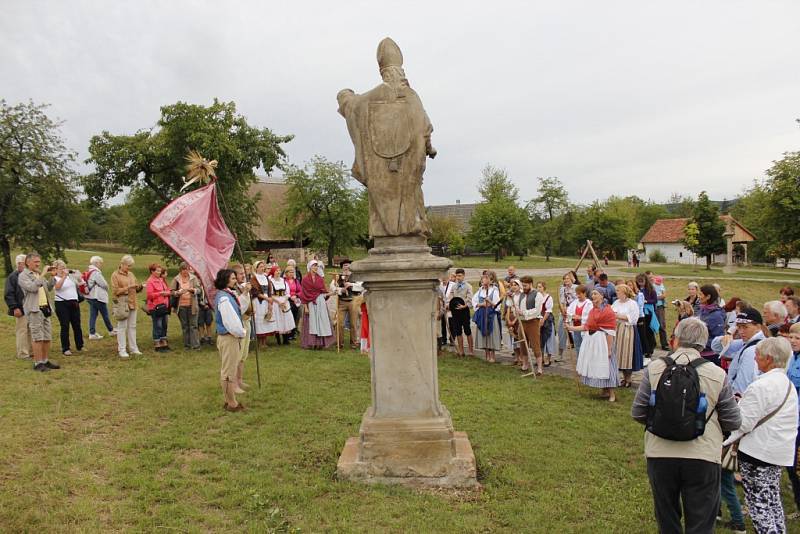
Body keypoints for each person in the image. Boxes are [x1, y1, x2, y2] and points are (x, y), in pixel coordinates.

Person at [632, 317, 741, 534]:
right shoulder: (717, 374)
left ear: (676, 339)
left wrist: (663, 421)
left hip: (660, 452)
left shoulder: (655, 368)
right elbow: (733, 420)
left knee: (667, 516)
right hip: (703, 453)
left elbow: (638, 411)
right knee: (701, 519)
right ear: (704, 342)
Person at [723, 337, 798, 534]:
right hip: (777, 451)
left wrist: (724, 441)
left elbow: (743, 423)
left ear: (769, 359)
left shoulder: (761, 386)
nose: (755, 359)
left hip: (758, 452)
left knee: (759, 506)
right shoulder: (787, 384)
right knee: (772, 501)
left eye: (758, 355)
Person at [569, 289, 619, 401]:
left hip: (603, 342)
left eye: (595, 293)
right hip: (592, 341)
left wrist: (609, 349)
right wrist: (571, 328)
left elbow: (610, 331)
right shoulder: (592, 310)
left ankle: (612, 394)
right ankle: (604, 391)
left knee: (606, 365)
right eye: (592, 294)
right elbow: (587, 326)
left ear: (602, 296)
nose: (593, 296)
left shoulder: (608, 311)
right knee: (597, 365)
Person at [18, 252, 59, 372]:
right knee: (37, 337)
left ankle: (45, 361)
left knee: (47, 336)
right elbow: (32, 288)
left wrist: (52, 277)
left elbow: (48, 288)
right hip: (34, 309)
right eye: (35, 262)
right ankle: (38, 363)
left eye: (39, 262)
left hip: (45, 308)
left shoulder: (38, 274)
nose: (38, 264)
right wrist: (43, 274)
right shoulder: (23, 275)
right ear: (28, 262)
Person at [712, 307, 767, 396]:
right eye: (739, 327)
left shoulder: (753, 350)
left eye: (745, 327)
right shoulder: (746, 342)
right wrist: (723, 339)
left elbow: (743, 384)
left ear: (758, 327)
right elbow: (716, 347)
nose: (741, 331)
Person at [214, 268, 247, 412]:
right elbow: (230, 322)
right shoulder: (224, 298)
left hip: (231, 337)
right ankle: (231, 403)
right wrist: (242, 332)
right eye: (233, 278)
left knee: (230, 370)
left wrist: (245, 294)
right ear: (225, 280)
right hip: (229, 337)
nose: (235, 280)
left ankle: (230, 400)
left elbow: (239, 309)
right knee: (228, 372)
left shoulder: (228, 295)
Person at [111, 255, 142, 359]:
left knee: (132, 326)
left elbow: (136, 285)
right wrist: (128, 287)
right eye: (128, 266)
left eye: (131, 266)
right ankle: (122, 349)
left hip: (133, 302)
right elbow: (115, 291)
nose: (130, 268)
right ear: (122, 264)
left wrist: (139, 287)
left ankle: (133, 348)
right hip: (122, 303)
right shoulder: (115, 275)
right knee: (122, 327)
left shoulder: (131, 274)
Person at [52, 260, 86, 356]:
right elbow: (57, 287)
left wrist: (78, 276)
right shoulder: (55, 278)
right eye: (60, 268)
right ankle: (65, 348)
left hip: (74, 302)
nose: (63, 269)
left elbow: (80, 283)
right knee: (65, 325)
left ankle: (80, 345)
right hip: (62, 303)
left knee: (77, 325)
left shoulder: (70, 278)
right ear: (56, 269)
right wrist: (63, 276)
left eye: (64, 267)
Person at [299, 259, 335, 350]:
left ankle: (320, 343)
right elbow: (303, 294)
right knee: (312, 323)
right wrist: (306, 307)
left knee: (321, 322)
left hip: (320, 303)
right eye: (313, 266)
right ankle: (311, 343)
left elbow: (323, 293)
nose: (315, 267)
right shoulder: (305, 279)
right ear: (309, 267)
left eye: (316, 266)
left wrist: (333, 293)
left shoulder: (320, 279)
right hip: (310, 303)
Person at [784, 323, 800, 522]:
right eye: (792, 337)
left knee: (797, 467)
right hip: (791, 419)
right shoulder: (792, 357)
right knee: (791, 466)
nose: (793, 341)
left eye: (797, 338)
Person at [514, 275, 544, 375]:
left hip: (533, 322)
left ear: (530, 284)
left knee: (535, 344)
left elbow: (537, 310)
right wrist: (517, 312)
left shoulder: (537, 295)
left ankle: (539, 368)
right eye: (523, 285)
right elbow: (517, 306)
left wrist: (525, 313)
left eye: (525, 285)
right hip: (522, 323)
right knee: (523, 344)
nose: (524, 287)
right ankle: (525, 365)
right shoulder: (521, 295)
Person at [613, 284, 641, 388]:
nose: (617, 293)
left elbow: (633, 319)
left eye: (618, 291)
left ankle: (628, 378)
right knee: (619, 354)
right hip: (617, 329)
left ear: (624, 292)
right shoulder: (616, 302)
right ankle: (624, 378)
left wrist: (619, 316)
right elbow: (612, 313)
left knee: (627, 354)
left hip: (627, 330)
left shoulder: (632, 303)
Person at [5, 253, 32, 359]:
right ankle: (23, 353)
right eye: (25, 262)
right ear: (19, 264)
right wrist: (14, 307)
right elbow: (9, 294)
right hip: (20, 308)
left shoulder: (29, 275)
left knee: (30, 330)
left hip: (30, 307)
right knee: (22, 331)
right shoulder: (13, 277)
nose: (27, 264)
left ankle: (31, 350)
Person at [330, 259, 361, 350]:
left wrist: (350, 285)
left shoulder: (356, 276)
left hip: (353, 301)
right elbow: (332, 287)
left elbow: (361, 287)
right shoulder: (337, 276)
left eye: (348, 265)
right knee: (339, 324)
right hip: (341, 302)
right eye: (344, 265)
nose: (346, 267)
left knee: (353, 324)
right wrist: (341, 290)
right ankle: (339, 343)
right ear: (342, 267)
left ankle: (354, 343)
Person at [232, 264, 252, 393]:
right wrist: (245, 293)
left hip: (246, 322)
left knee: (244, 354)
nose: (243, 275)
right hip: (238, 324)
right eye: (240, 274)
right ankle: (233, 384)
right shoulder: (232, 291)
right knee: (237, 355)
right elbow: (238, 307)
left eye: (243, 273)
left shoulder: (242, 286)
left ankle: (239, 380)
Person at [85, 256, 116, 340]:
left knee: (93, 314)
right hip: (97, 296)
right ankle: (111, 330)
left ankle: (92, 333)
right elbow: (104, 284)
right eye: (100, 263)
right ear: (96, 263)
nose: (101, 265)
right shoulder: (96, 272)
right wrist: (107, 288)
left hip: (90, 296)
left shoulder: (89, 271)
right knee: (105, 313)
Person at [172, 262, 201, 350]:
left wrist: (193, 290)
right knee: (185, 326)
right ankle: (187, 345)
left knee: (193, 325)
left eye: (187, 269)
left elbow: (199, 290)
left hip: (192, 305)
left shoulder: (193, 278)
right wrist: (178, 293)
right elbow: (172, 292)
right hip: (181, 306)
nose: (185, 271)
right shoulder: (176, 279)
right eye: (183, 269)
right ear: (180, 270)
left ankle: (195, 345)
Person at [472, 273, 501, 363]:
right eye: (483, 279)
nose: (484, 280)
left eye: (486, 279)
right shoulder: (480, 290)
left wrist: (490, 302)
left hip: (491, 315)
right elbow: (474, 301)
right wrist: (482, 304)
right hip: (482, 315)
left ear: (491, 281)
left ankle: (492, 355)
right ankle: (486, 354)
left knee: (491, 334)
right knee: (483, 334)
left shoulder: (494, 290)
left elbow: (497, 306)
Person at [445, 268, 474, 357]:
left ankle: (470, 350)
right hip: (455, 312)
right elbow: (450, 297)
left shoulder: (468, 286)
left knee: (467, 330)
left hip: (464, 311)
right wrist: (448, 304)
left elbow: (470, 300)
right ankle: (461, 351)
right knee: (458, 331)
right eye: (457, 276)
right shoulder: (454, 286)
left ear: (464, 276)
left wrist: (464, 306)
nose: (458, 278)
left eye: (460, 276)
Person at [696, 284, 726, 366]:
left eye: (701, 294)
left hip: (710, 357)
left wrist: (699, 342)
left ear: (708, 296)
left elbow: (719, 338)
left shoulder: (716, 316)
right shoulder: (702, 310)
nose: (698, 296)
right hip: (699, 353)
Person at [145, 264, 172, 353]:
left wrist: (167, 292)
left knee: (164, 324)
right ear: (152, 271)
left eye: (160, 271)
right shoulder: (150, 281)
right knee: (158, 325)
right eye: (157, 271)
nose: (159, 272)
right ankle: (157, 343)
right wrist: (160, 293)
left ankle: (164, 342)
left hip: (164, 306)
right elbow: (149, 295)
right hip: (155, 307)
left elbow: (167, 290)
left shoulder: (161, 280)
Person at [268, 264, 295, 345]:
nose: (278, 272)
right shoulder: (271, 282)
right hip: (276, 302)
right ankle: (278, 339)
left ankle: (285, 339)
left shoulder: (283, 281)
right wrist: (279, 302)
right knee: (278, 319)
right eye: (276, 271)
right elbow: (271, 294)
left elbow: (288, 292)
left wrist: (284, 301)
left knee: (285, 319)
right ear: (273, 272)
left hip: (284, 301)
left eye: (279, 270)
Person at [505, 278, 528, 369]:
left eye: (515, 285)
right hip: (512, 318)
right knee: (513, 339)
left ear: (519, 286)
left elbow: (521, 309)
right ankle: (516, 357)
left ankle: (523, 358)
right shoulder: (512, 296)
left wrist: (515, 320)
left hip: (519, 319)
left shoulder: (523, 296)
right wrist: (508, 320)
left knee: (520, 338)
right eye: (512, 285)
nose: (514, 287)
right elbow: (509, 308)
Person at [635, 273, 659, 360]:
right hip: (640, 313)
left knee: (649, 331)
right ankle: (644, 349)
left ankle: (650, 349)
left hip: (648, 313)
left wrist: (646, 301)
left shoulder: (651, 290)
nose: (640, 283)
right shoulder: (637, 290)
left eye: (642, 281)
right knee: (642, 332)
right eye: (639, 282)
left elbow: (655, 300)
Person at [566, 285, 593, 356]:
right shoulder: (574, 303)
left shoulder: (589, 304)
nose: (578, 295)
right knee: (578, 347)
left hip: (585, 329)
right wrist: (571, 317)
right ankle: (579, 363)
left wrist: (580, 318)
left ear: (584, 293)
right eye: (577, 294)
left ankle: (586, 364)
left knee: (585, 347)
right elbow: (568, 312)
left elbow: (591, 317)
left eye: (579, 294)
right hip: (575, 328)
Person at [251, 260, 272, 346]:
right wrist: (266, 298)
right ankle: (259, 342)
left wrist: (270, 302)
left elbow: (269, 291)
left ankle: (264, 341)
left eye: (263, 267)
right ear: (256, 268)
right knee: (259, 320)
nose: (263, 268)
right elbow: (255, 292)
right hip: (258, 301)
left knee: (265, 319)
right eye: (261, 267)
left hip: (266, 301)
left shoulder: (266, 277)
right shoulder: (254, 278)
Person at [557, 272, 577, 360]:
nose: (566, 280)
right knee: (561, 332)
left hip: (573, 313)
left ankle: (578, 354)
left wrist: (570, 311)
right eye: (564, 279)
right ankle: (560, 354)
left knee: (575, 333)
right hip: (564, 313)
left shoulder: (576, 288)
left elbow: (577, 301)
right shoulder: (562, 289)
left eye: (568, 278)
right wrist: (562, 309)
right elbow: (561, 301)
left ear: (572, 279)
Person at [537, 281, 556, 366]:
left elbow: (548, 311)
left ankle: (548, 359)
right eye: (537, 287)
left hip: (547, 321)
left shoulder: (549, 298)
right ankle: (541, 359)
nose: (538, 288)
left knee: (548, 340)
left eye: (540, 287)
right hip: (539, 320)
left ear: (544, 288)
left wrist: (543, 320)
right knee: (540, 340)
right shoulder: (537, 297)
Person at [651, 274, 670, 350]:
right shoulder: (652, 286)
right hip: (652, 307)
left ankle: (664, 344)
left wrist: (657, 298)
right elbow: (652, 296)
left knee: (662, 325)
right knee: (652, 325)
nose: (658, 283)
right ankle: (652, 343)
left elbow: (664, 295)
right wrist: (658, 297)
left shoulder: (661, 285)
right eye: (657, 281)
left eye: (660, 281)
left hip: (660, 307)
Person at [284, 265, 302, 340]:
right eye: (290, 272)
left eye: (293, 272)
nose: (292, 274)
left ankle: (293, 333)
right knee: (288, 317)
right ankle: (288, 334)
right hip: (287, 300)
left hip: (295, 300)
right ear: (286, 273)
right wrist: (290, 296)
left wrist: (296, 295)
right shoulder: (284, 281)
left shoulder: (296, 281)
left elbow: (300, 291)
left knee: (296, 315)